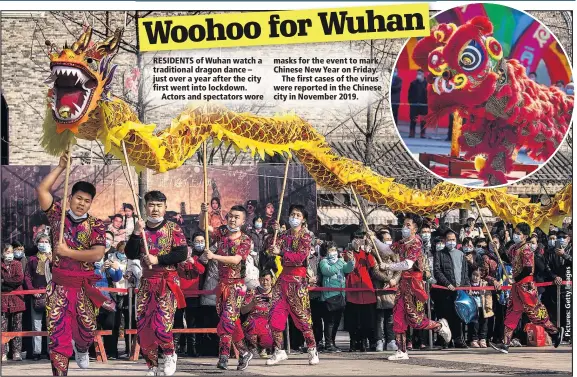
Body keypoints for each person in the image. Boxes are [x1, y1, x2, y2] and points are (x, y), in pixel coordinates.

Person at [36, 152, 107, 376]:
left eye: (87, 201)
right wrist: (60, 167)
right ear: (70, 197)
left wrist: (69, 252)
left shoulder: (97, 224)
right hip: (58, 287)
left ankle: (83, 348)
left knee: (87, 330)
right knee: (57, 335)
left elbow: (97, 254)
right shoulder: (57, 215)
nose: (81, 204)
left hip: (83, 287)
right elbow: (42, 191)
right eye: (78, 198)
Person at [125, 190, 188, 376]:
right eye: (151, 205)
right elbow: (131, 253)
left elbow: (182, 253)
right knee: (144, 326)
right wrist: (136, 233)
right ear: (145, 207)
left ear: (165, 207)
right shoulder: (141, 229)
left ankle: (169, 354)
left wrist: (158, 259)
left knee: (162, 323)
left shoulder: (173, 228)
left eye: (159, 205)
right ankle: (151, 365)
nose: (155, 209)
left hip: (166, 281)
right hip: (146, 282)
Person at [371, 216, 451, 360]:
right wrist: (374, 239)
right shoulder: (402, 242)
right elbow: (387, 250)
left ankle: (439, 326)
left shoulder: (416, 243)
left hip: (414, 285)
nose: (404, 227)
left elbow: (407, 264)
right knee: (398, 317)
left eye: (408, 225)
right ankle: (401, 351)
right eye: (404, 224)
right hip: (403, 285)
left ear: (415, 228)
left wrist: (388, 266)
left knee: (416, 320)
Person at [490, 223, 564, 354]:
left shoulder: (527, 249)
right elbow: (507, 259)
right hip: (517, 286)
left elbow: (528, 269)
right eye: (515, 232)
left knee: (534, 313)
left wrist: (516, 279)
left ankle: (554, 331)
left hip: (526, 286)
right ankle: (505, 343)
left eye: (518, 233)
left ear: (525, 236)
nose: (516, 235)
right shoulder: (514, 247)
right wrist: (499, 249)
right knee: (512, 312)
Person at [199, 202, 253, 371]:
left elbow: (236, 259)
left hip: (236, 285)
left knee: (226, 321)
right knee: (232, 321)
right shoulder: (221, 232)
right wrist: (203, 212)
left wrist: (214, 256)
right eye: (230, 216)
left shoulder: (245, 240)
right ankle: (244, 352)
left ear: (243, 221)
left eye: (236, 217)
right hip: (221, 284)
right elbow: (204, 227)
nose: (232, 220)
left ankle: (223, 356)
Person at [266, 204, 319, 366]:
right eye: (292, 214)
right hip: (283, 280)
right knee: (275, 314)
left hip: (298, 281)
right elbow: (270, 250)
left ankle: (312, 348)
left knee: (302, 317)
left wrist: (280, 252)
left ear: (303, 220)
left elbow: (300, 258)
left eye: (298, 215)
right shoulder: (283, 235)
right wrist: (272, 236)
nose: (294, 217)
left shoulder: (306, 236)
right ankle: (279, 350)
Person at [433, 230, 470, 348]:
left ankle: (458, 339)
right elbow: (437, 271)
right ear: (444, 240)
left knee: (458, 316)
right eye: (449, 239)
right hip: (444, 291)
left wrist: (466, 285)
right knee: (444, 316)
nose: (451, 242)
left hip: (459, 291)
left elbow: (465, 272)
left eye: (453, 239)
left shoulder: (461, 254)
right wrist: (447, 283)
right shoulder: (439, 254)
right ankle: (444, 341)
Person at [344, 231, 377, 352]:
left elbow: (371, 264)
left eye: (360, 238)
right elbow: (350, 266)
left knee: (366, 319)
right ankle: (353, 342)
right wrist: (353, 255)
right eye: (356, 238)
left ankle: (364, 341)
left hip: (366, 287)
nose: (358, 241)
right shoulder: (347, 252)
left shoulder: (365, 252)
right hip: (353, 287)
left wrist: (368, 253)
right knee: (353, 319)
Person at [175, 234, 206, 357]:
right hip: (179, 294)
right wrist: (181, 263)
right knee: (177, 322)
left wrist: (193, 262)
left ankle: (192, 348)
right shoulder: (177, 262)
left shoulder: (196, 259)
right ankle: (176, 346)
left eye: (189, 250)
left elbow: (202, 270)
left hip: (193, 295)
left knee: (191, 323)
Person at [319, 242, 353, 353]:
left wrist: (351, 261)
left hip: (340, 294)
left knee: (337, 322)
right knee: (330, 321)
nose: (333, 252)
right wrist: (340, 261)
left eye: (334, 249)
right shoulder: (324, 262)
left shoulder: (340, 262)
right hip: (329, 296)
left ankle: (333, 342)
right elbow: (329, 271)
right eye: (331, 250)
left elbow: (348, 269)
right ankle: (328, 344)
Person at [24, 233, 53, 361]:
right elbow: (27, 277)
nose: (44, 244)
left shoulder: (54, 259)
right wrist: (32, 291)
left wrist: (52, 259)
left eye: (46, 241)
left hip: (51, 294)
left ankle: (50, 351)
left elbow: (58, 274)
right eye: (41, 241)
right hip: (36, 295)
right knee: (36, 324)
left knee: (51, 324)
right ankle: (36, 352)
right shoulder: (32, 260)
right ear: (37, 243)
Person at [371, 232, 400, 352]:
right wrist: (388, 279)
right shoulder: (375, 254)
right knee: (380, 318)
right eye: (386, 239)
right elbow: (375, 271)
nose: (388, 241)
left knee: (391, 317)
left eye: (390, 239)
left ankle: (391, 340)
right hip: (380, 289)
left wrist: (394, 280)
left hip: (392, 290)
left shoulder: (395, 254)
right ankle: (379, 340)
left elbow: (399, 269)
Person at [241, 270, 274, 357]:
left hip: (269, 319)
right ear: (259, 280)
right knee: (253, 325)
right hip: (253, 319)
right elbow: (243, 310)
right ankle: (253, 348)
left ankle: (264, 348)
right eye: (262, 280)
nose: (265, 282)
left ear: (272, 280)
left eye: (267, 280)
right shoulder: (252, 292)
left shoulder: (276, 293)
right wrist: (252, 303)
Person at [1, 244, 25, 362]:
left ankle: (16, 352)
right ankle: (2, 352)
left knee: (17, 326)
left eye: (11, 251)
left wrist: (4, 281)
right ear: (2, 253)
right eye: (7, 252)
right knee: (2, 327)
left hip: (17, 299)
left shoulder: (18, 264)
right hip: (3, 301)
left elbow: (19, 279)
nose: (9, 254)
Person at [467, 267, 493, 348]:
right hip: (473, 307)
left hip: (483, 307)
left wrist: (488, 306)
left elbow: (488, 295)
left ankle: (483, 339)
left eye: (477, 275)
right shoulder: (468, 284)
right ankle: (474, 340)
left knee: (484, 324)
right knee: (474, 324)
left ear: (480, 276)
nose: (475, 277)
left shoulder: (484, 283)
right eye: (474, 275)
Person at [408, 69, 428, 138]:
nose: (418, 75)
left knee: (423, 121)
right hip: (414, 105)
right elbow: (409, 94)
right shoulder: (413, 83)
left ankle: (422, 134)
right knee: (413, 119)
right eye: (417, 73)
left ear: (423, 74)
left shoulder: (427, 83)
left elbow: (429, 94)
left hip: (424, 105)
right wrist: (411, 103)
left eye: (420, 73)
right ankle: (412, 133)